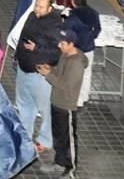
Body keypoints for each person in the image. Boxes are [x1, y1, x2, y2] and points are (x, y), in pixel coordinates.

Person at [36, 29, 88, 178]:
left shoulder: (77, 63)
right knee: (58, 136)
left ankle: (71, 169)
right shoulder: (65, 55)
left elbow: (66, 85)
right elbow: (59, 73)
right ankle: (59, 162)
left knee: (68, 139)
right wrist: (50, 69)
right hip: (56, 102)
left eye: (63, 43)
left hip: (67, 105)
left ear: (71, 44)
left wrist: (48, 75)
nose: (59, 46)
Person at [14, 0, 61, 153]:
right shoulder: (32, 16)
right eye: (36, 5)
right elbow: (22, 36)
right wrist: (17, 56)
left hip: (39, 75)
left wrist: (36, 49)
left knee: (45, 108)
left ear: (50, 8)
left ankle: (45, 140)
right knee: (24, 105)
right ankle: (25, 136)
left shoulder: (55, 26)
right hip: (24, 69)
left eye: (41, 7)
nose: (37, 9)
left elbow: (56, 52)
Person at [65, 0, 100, 107]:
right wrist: (91, 37)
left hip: (77, 50)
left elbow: (68, 34)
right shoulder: (94, 13)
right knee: (87, 73)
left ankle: (77, 100)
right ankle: (84, 97)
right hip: (89, 47)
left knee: (76, 75)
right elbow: (98, 29)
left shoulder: (72, 18)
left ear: (73, 1)